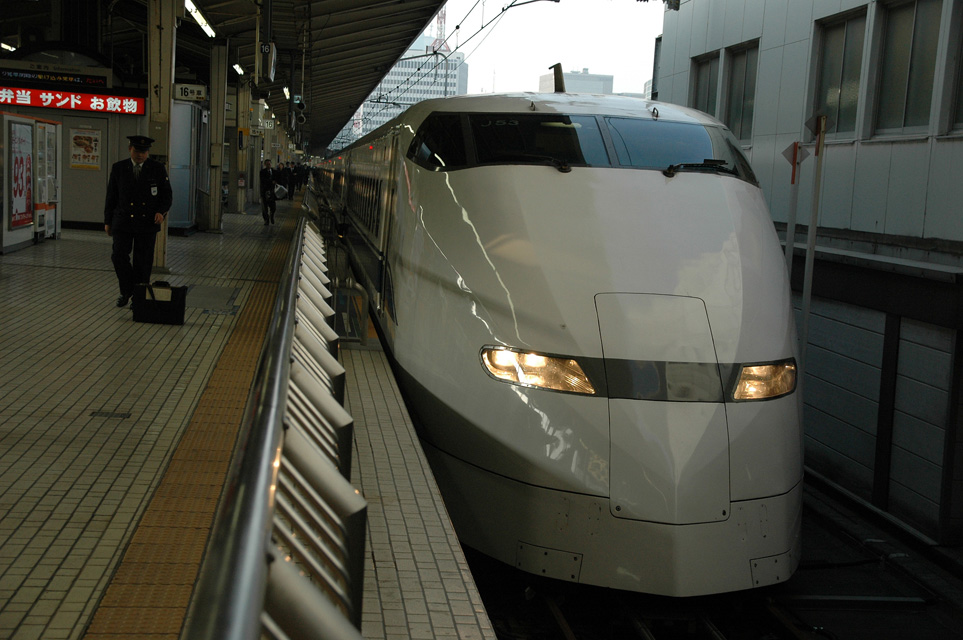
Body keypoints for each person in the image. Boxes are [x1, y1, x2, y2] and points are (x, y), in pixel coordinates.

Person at [104, 135, 173, 308]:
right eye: (137, 151)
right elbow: (111, 196)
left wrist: (161, 212)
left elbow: (167, 195)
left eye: (144, 152)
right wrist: (108, 221)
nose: (140, 155)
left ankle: (138, 297)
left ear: (148, 152)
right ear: (130, 149)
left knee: (143, 262)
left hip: (147, 223)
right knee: (118, 256)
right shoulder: (119, 168)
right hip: (123, 221)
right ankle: (127, 290)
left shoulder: (157, 169)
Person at [260, 159, 277, 225]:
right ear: (265, 165)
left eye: (269, 164)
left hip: (272, 193)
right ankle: (266, 220)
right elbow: (263, 180)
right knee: (264, 208)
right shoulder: (262, 172)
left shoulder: (274, 171)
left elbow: (277, 179)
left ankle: (272, 215)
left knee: (273, 207)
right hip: (264, 192)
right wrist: (271, 182)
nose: (268, 165)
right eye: (267, 164)